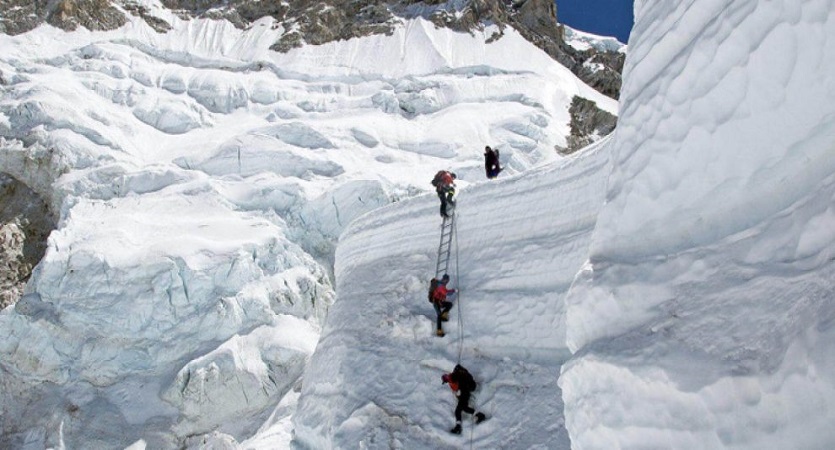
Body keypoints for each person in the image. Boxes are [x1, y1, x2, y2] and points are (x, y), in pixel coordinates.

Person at [441, 364, 486, 434]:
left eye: (446, 380)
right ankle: (480, 415)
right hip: (464, 393)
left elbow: (457, 382)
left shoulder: (453, 377)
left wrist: (459, 393)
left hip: (464, 393)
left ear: (446, 378)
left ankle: (458, 427)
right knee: (464, 408)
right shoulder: (454, 377)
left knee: (458, 411)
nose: (446, 381)